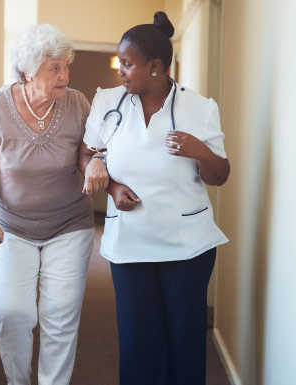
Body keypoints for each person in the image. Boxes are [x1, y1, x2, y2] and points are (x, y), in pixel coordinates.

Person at [79, 11, 230, 385]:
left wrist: (201, 151)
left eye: (127, 64)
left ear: (156, 67)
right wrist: (109, 184)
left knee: (185, 339)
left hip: (187, 246)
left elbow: (220, 175)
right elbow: (87, 153)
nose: (121, 71)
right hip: (130, 242)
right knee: (137, 339)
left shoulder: (199, 108)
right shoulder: (108, 102)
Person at [0, 24, 94, 385]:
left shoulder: (77, 103)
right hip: (11, 226)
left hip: (70, 224)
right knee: (12, 312)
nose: (64, 75)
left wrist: (97, 160)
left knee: (60, 314)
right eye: (54, 67)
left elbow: (91, 151)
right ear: (27, 69)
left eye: (66, 66)